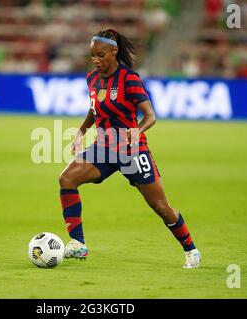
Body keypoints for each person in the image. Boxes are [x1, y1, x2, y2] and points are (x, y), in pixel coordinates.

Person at [58, 29, 201, 268]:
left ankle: (191, 250)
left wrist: (137, 130)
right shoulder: (92, 78)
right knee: (67, 178)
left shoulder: (130, 79)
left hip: (132, 152)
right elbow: (95, 109)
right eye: (92, 55)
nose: (96, 60)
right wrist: (81, 131)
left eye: (101, 55)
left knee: (160, 207)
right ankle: (77, 243)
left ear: (114, 52)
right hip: (103, 148)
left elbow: (150, 116)